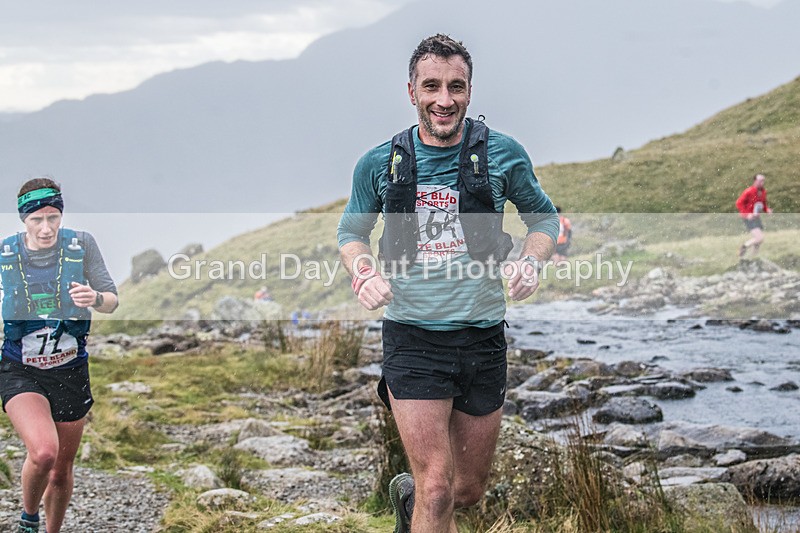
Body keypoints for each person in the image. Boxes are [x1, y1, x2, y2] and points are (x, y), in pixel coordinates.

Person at [337, 34, 558, 533]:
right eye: (431, 86)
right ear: (411, 91)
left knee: (465, 490)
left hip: (481, 339)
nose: (444, 99)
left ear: (470, 91)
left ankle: (406, 498)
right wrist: (364, 271)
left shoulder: (503, 154)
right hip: (412, 338)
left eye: (455, 87)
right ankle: (421, 500)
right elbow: (351, 233)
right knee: (437, 491)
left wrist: (531, 262)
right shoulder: (379, 163)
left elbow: (544, 221)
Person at [0, 177, 119, 533]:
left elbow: (111, 299)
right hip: (21, 370)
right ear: (24, 219)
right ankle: (29, 518)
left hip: (70, 370)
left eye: (53, 217)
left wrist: (94, 298)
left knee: (61, 467)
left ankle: (52, 530)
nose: (46, 227)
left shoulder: (81, 245)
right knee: (44, 453)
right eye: (37, 219)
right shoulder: (6, 255)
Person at [735, 173, 772, 258]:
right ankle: (744, 247)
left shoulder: (763, 192)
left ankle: (754, 257)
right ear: (755, 181)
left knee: (758, 241)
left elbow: (762, 204)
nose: (762, 183)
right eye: (760, 181)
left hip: (756, 218)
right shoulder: (749, 191)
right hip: (749, 218)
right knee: (759, 238)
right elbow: (738, 203)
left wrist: (767, 210)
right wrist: (747, 214)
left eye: (763, 181)